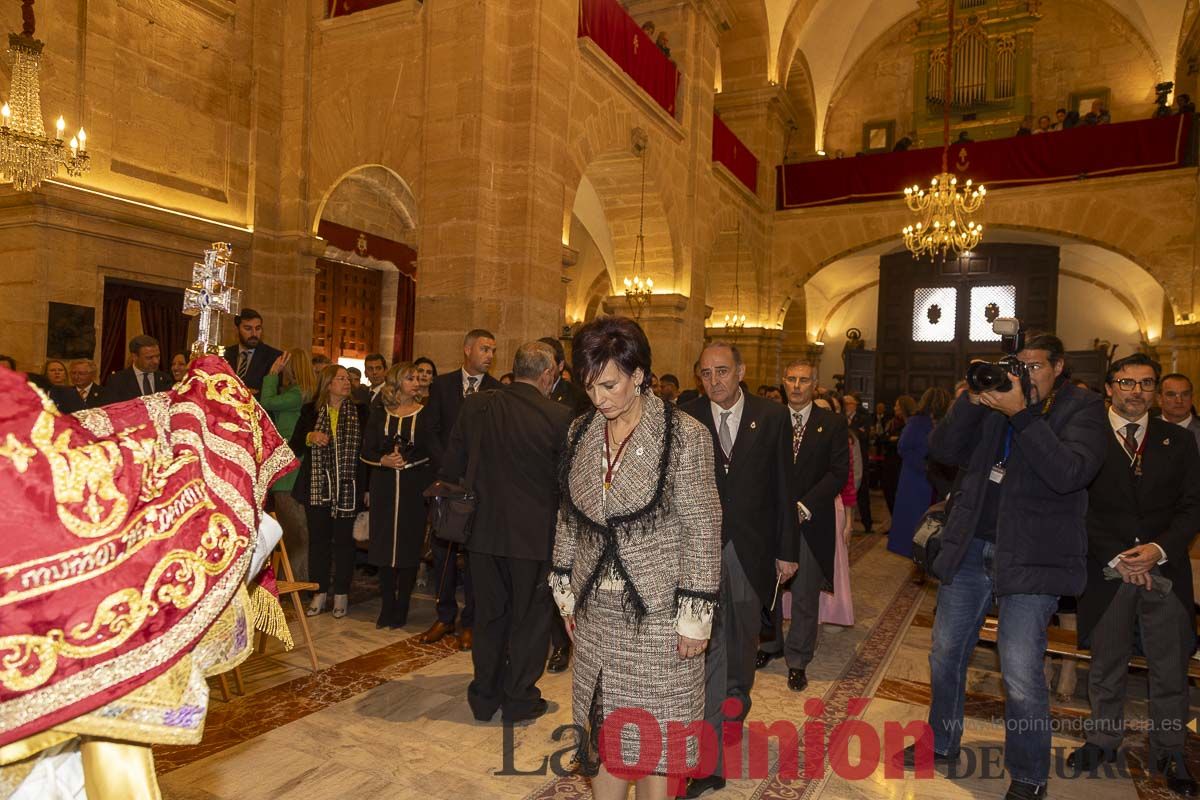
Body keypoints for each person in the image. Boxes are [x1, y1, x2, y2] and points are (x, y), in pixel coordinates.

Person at [895, 333, 1108, 800]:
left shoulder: (1083, 410)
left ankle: (1030, 773)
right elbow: (944, 450)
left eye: (1035, 367)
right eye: (1019, 367)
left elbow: (1070, 473)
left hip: (1033, 556)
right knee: (945, 653)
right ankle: (942, 743)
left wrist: (1022, 414)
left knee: (1020, 668)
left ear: (1059, 367)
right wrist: (974, 398)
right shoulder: (994, 403)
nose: (1025, 376)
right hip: (972, 548)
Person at [550, 316, 721, 799]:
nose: (599, 398)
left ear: (639, 374)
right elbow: (568, 514)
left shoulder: (684, 434)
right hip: (595, 611)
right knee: (603, 729)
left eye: (609, 385)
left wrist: (694, 618)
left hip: (658, 615)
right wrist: (565, 590)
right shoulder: (580, 430)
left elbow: (703, 525)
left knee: (654, 741)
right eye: (589, 387)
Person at [1067, 354, 1200, 794]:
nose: (1136, 391)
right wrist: (1120, 557)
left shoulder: (1177, 441)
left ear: (1156, 391)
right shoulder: (1084, 436)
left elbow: (1192, 505)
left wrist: (1157, 550)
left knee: (1169, 668)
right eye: (1127, 382)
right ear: (1109, 387)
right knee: (1106, 665)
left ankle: (1169, 748)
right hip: (1107, 570)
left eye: (1146, 383)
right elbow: (1073, 503)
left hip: (1165, 569)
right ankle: (1102, 739)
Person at [678, 342, 794, 797]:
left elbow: (785, 486)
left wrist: (787, 550)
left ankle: (734, 704)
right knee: (709, 642)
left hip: (751, 549)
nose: (714, 381)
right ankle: (709, 745)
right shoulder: (687, 417)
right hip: (699, 549)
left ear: (741, 371)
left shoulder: (770, 416)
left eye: (722, 371)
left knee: (742, 640)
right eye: (705, 373)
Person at [439, 342, 571, 722]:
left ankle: (484, 696)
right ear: (547, 375)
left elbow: (452, 467)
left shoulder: (475, 406)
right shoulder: (559, 416)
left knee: (489, 616)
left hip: (481, 535)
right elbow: (567, 485)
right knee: (530, 621)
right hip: (534, 538)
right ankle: (519, 699)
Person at [757, 359, 849, 693]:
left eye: (804, 380)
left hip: (811, 520)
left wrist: (804, 505)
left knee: (805, 594)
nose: (797, 386)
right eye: (791, 379)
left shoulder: (832, 423)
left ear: (815, 384)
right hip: (770, 521)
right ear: (783, 381)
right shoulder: (767, 419)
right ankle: (770, 645)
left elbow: (838, 473)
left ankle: (798, 660)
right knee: (769, 589)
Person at [420, 329, 501, 650]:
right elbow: (431, 431)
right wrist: (451, 469)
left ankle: (471, 622)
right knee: (443, 555)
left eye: (493, 350)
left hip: (480, 489)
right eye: (484, 349)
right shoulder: (441, 386)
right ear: (467, 349)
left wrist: (474, 473)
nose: (490, 355)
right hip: (447, 484)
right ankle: (444, 615)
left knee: (475, 558)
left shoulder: (497, 391)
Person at [289, 364, 369, 619]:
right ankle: (319, 592)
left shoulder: (361, 412)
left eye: (348, 379)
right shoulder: (310, 411)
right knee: (319, 542)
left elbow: (366, 455)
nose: (347, 383)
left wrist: (367, 488)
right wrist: (309, 436)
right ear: (327, 384)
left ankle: (342, 593)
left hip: (349, 488)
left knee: (345, 543)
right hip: (317, 489)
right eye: (341, 379)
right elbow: (294, 445)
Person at [361, 362, 434, 629]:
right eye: (410, 378)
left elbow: (433, 451)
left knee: (407, 545)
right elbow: (366, 449)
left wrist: (408, 462)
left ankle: (402, 604)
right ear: (397, 382)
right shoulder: (379, 413)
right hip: (384, 485)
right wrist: (384, 460)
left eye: (418, 378)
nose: (417, 382)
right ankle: (387, 605)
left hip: (413, 488)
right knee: (383, 544)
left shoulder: (425, 414)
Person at [261, 348, 317, 581]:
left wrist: (272, 374)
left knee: (294, 530)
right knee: (295, 528)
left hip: (290, 469)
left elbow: (265, 402)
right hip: (292, 463)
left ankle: (295, 580)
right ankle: (294, 578)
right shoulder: (300, 393)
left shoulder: (298, 394)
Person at [888, 387, 951, 558]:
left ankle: (928, 555)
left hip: (937, 478)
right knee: (915, 520)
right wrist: (924, 466)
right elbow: (903, 448)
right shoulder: (918, 421)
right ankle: (917, 555)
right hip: (916, 478)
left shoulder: (944, 421)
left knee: (934, 520)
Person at [816, 397, 856, 630]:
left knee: (833, 562)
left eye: (825, 410)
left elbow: (848, 484)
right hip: (803, 507)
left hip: (833, 507)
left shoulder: (843, 441)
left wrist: (849, 522)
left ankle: (833, 612)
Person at [222, 308, 283, 396]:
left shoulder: (274, 357)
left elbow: (273, 394)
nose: (254, 334)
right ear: (237, 330)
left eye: (258, 328)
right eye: (248, 328)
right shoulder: (225, 354)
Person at [105, 335, 172, 403]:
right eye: (149, 358)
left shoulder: (166, 379)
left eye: (158, 356)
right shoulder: (117, 381)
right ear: (134, 357)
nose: (156, 361)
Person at [540, 335, 590, 417]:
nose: (541, 369)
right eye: (537, 364)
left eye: (547, 364)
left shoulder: (578, 397)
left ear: (560, 365)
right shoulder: (527, 392)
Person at [844, 393, 873, 532]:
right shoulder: (841, 418)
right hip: (847, 458)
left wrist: (852, 427)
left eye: (848, 403)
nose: (846, 406)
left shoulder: (863, 418)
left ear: (854, 405)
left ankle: (867, 524)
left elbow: (864, 435)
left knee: (863, 493)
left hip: (861, 458)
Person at [881, 395, 915, 513]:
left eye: (897, 406)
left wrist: (893, 439)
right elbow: (882, 440)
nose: (894, 408)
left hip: (900, 465)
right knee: (888, 492)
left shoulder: (911, 424)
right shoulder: (891, 422)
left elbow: (902, 443)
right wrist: (891, 439)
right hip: (889, 463)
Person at [1159, 373, 1200, 449]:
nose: (1179, 401)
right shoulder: (1146, 429)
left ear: (1192, 398)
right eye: (1171, 395)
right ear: (1159, 399)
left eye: (1185, 394)